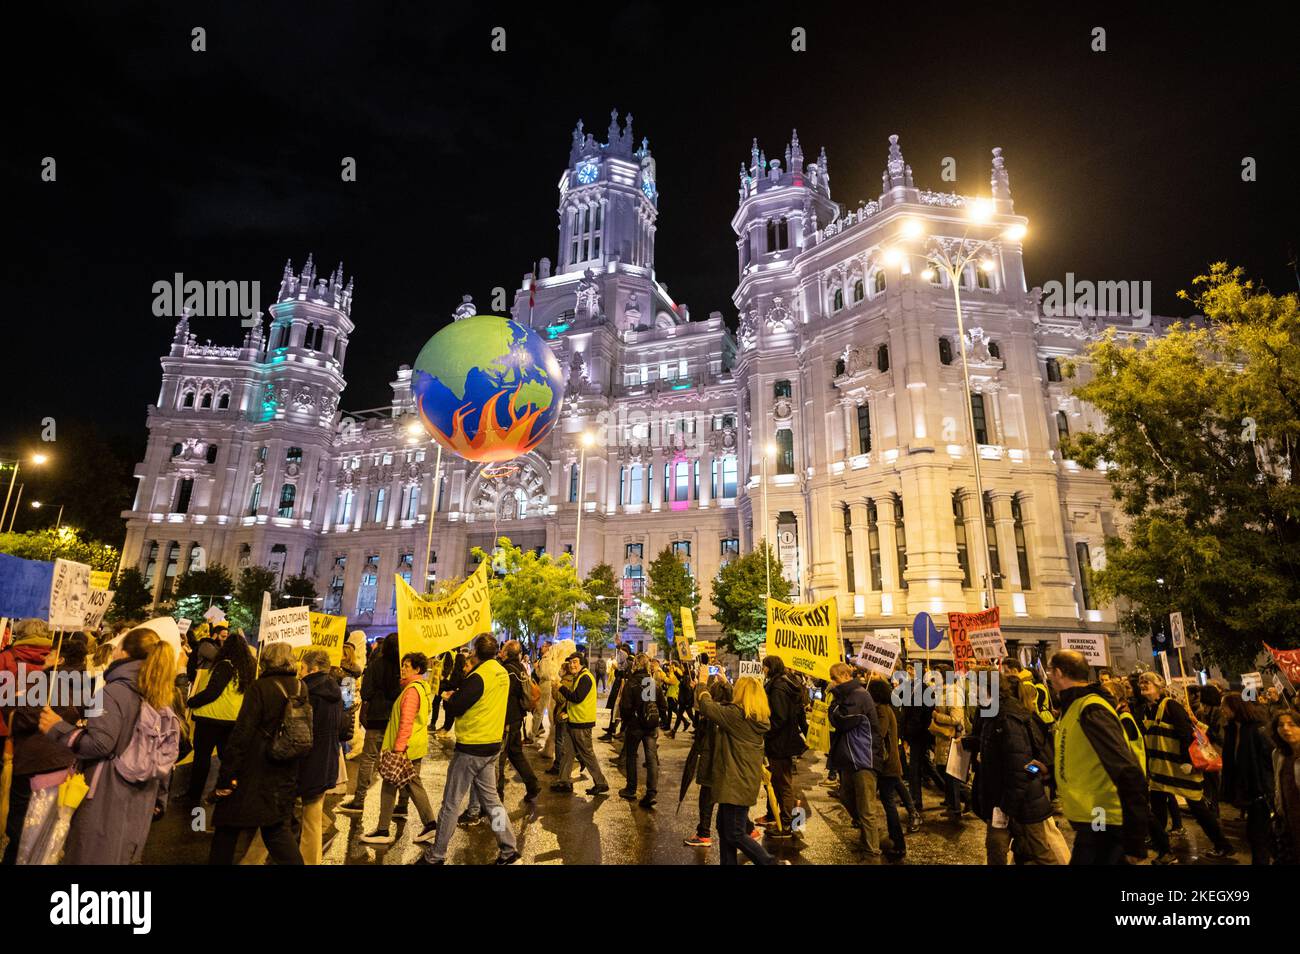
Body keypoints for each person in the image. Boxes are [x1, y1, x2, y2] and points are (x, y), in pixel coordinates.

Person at [40, 626, 179, 865]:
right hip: (141, 797)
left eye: (117, 647)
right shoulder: (161, 694)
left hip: (105, 794)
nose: (113, 652)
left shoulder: (110, 692)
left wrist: (58, 728)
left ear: (124, 654)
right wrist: (160, 799)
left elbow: (100, 744)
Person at [419, 635, 520, 865]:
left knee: (451, 803)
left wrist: (448, 698)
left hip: (472, 747)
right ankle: (509, 849)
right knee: (493, 803)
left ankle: (436, 855)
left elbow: (456, 706)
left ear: (476, 652)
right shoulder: (501, 672)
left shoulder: (478, 676)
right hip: (492, 745)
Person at [243, 648, 348, 864]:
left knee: (273, 819)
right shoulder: (336, 693)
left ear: (313, 668)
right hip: (325, 765)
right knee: (312, 822)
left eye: (302, 667)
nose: (299, 672)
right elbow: (343, 730)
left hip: (303, 765)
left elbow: (296, 734)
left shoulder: (305, 693)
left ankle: (251, 862)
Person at [207, 641, 307, 865]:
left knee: (227, 828)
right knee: (276, 829)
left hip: (254, 769)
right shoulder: (300, 687)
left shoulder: (260, 687)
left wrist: (226, 776)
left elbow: (242, 733)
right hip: (285, 767)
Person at [1047, 650, 1149, 865]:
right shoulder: (1074, 706)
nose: (1048, 676)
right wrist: (1049, 768)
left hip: (1102, 817)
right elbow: (1081, 755)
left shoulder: (1090, 708)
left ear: (1058, 673)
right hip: (1093, 817)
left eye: (1049, 671)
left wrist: (1135, 840)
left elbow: (1127, 770)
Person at [4, 634, 88, 865]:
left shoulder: (47, 683)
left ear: (59, 658)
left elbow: (22, 717)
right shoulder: (88, 682)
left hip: (35, 763)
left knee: (22, 829)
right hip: (66, 762)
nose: (44, 657)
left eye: (49, 653)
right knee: (50, 829)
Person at [1138, 672, 1233, 859]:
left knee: (1198, 808)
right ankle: (1162, 847)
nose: (1143, 684)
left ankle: (1223, 844)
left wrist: (1187, 762)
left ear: (1159, 686)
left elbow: (1187, 733)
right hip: (1160, 769)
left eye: (1147, 681)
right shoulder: (1146, 708)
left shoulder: (1171, 706)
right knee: (1156, 809)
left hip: (1181, 769)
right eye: (1141, 682)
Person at [970, 670, 1058, 865]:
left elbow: (1021, 767)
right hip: (1004, 799)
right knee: (998, 852)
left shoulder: (1007, 717)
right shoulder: (992, 713)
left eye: (974, 687)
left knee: (1041, 855)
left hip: (1021, 802)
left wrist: (1007, 807)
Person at [695, 674, 780, 865]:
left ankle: (771, 863)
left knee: (734, 833)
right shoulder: (754, 716)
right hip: (740, 780)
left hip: (735, 782)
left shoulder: (737, 716)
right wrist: (724, 682)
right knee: (724, 828)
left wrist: (702, 684)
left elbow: (708, 707)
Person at [361, 652, 440, 847]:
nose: (403, 668)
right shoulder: (418, 688)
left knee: (394, 784)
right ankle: (426, 825)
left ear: (417, 669)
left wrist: (398, 749)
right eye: (403, 665)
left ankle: (384, 830)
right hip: (411, 747)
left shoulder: (412, 691)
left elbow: (406, 721)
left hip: (404, 748)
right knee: (409, 785)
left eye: (407, 665)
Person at [184, 629, 255, 804]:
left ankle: (194, 796)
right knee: (227, 758)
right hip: (232, 719)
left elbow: (213, 692)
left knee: (202, 758)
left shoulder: (225, 665)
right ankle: (228, 790)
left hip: (210, 719)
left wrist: (192, 701)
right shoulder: (247, 668)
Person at [338, 633, 402, 815]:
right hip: (395, 719)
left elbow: (366, 693)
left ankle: (359, 800)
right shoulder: (401, 668)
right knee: (394, 761)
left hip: (375, 718)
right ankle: (395, 806)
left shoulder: (375, 666)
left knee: (368, 759)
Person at [827, 663, 885, 854]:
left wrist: (834, 701)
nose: (831, 682)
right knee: (846, 796)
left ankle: (872, 849)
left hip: (862, 758)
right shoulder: (849, 695)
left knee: (867, 808)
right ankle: (868, 835)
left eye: (834, 678)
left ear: (844, 676)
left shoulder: (859, 695)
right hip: (851, 757)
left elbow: (842, 720)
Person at [1220, 691, 1276, 864]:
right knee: (1255, 835)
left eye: (1225, 706)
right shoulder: (1232, 729)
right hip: (1247, 791)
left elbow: (1270, 760)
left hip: (1261, 792)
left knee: (1258, 836)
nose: (1222, 710)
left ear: (1236, 707)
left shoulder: (1257, 729)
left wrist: (1267, 789)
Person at [867, 676, 916, 854]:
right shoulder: (885, 708)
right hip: (891, 764)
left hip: (887, 764)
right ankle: (897, 839)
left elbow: (878, 734)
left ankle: (898, 843)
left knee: (888, 803)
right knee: (890, 799)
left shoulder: (881, 710)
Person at [758, 656, 806, 835]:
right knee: (782, 781)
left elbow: (779, 717)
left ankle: (788, 824)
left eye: (764, 667)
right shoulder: (784, 683)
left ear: (770, 667)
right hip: (784, 740)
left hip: (780, 742)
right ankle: (791, 821)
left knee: (782, 783)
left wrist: (766, 732)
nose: (763, 670)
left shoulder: (778, 687)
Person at [551, 652, 609, 796]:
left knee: (587, 754)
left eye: (575, 662)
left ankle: (601, 783)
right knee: (567, 753)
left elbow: (576, 698)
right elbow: (574, 701)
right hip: (574, 721)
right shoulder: (579, 677)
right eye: (570, 662)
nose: (572, 665)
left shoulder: (585, 678)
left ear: (582, 663)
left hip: (582, 724)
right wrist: (567, 712)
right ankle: (564, 781)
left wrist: (560, 687)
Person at [684, 675, 732, 848]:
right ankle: (747, 829)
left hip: (713, 759)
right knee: (724, 798)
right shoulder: (731, 712)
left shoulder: (720, 713)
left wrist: (702, 685)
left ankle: (704, 833)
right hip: (722, 762)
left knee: (708, 795)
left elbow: (704, 706)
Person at [618, 653, 664, 808]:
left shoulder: (631, 683)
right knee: (651, 759)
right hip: (650, 726)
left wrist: (628, 721)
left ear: (635, 665)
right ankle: (651, 792)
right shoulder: (652, 682)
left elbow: (624, 707)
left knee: (631, 756)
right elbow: (663, 705)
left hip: (635, 726)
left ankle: (631, 788)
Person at [498, 640, 541, 802]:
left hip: (508, 719)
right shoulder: (520, 668)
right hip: (517, 718)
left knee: (500, 758)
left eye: (503, 650)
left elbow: (504, 695)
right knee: (516, 754)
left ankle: (497, 794)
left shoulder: (507, 671)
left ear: (507, 653)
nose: (500, 652)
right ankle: (533, 785)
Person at [1270, 709, 1300, 864]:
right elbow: (1278, 786)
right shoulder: (1279, 754)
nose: (1286, 729)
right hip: (1288, 821)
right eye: (1281, 725)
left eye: (1292, 724)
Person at [532, 642, 560, 757]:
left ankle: (532, 735)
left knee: (538, 711)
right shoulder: (552, 658)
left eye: (543, 646)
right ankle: (537, 731)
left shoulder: (546, 659)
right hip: (549, 686)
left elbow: (543, 675)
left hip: (545, 687)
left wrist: (536, 668)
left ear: (548, 647)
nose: (541, 648)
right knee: (546, 712)